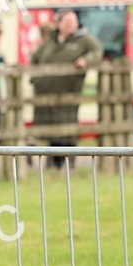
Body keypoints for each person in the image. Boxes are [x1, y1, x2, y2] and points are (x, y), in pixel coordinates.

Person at [30, 10, 101, 166]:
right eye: (67, 22)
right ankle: (53, 165)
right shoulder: (50, 42)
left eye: (73, 22)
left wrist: (85, 60)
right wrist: (35, 79)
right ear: (58, 23)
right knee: (50, 131)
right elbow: (34, 58)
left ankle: (69, 165)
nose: (71, 25)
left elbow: (97, 52)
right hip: (46, 94)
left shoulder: (83, 40)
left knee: (68, 130)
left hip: (69, 93)